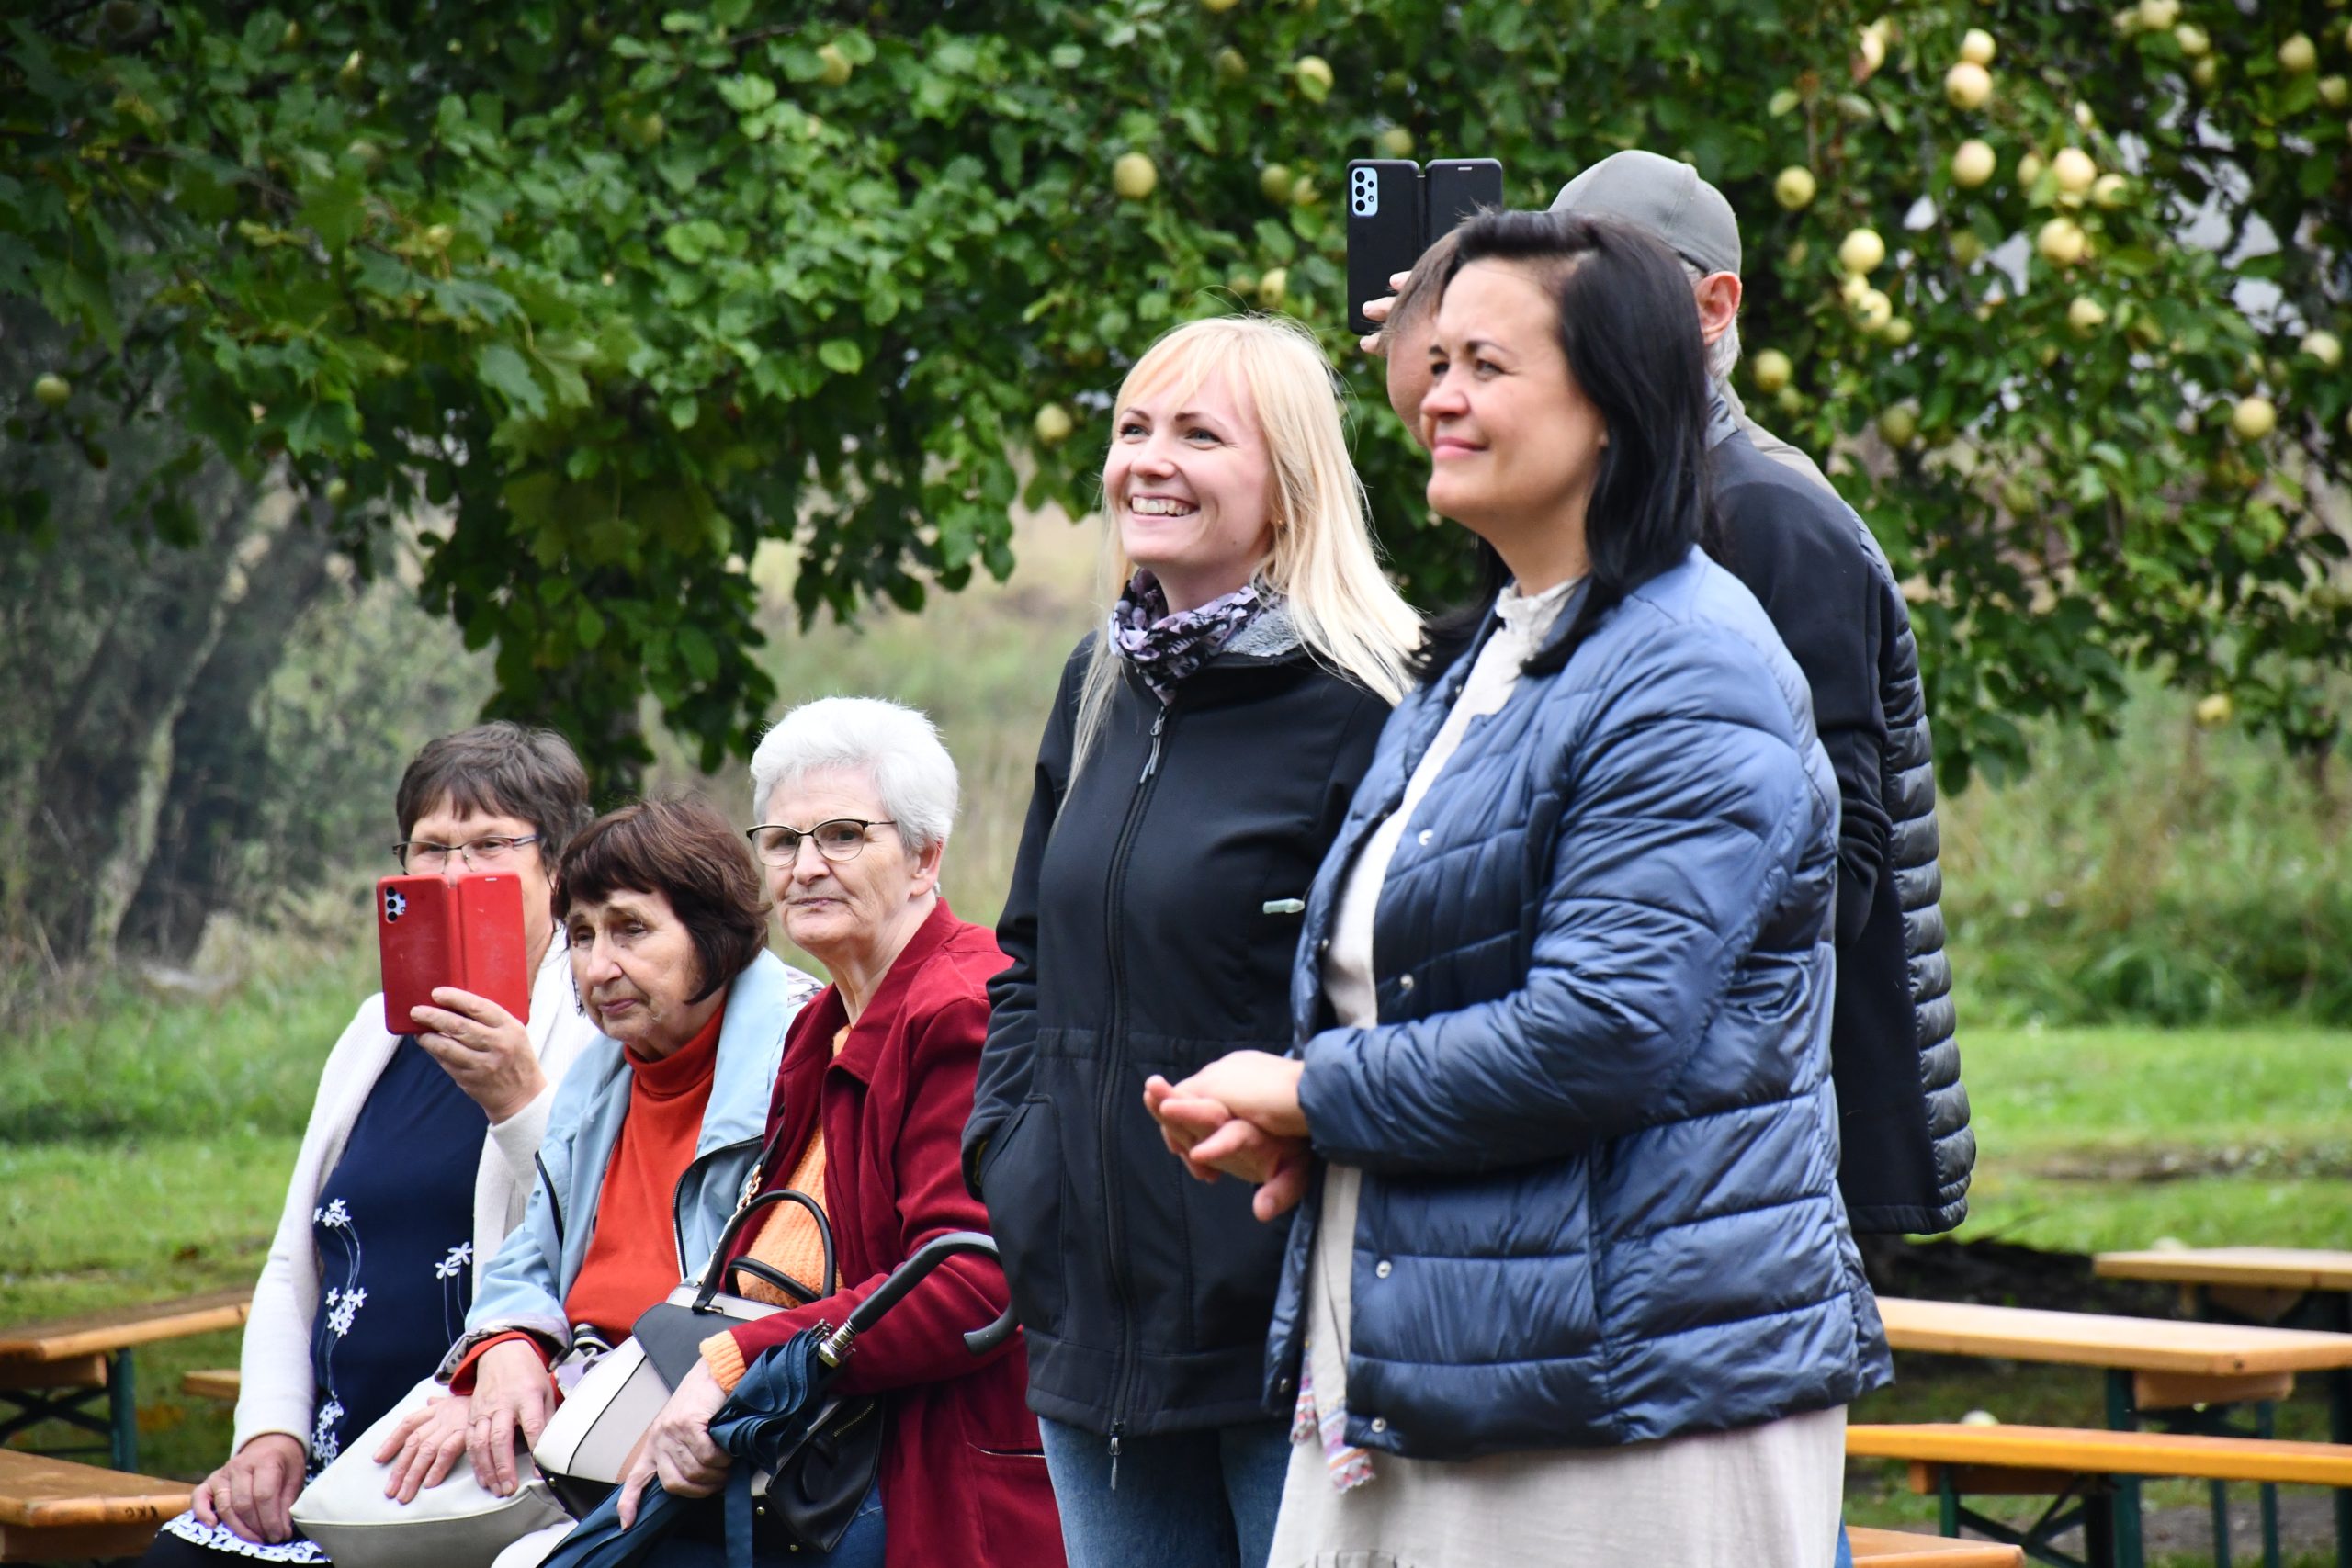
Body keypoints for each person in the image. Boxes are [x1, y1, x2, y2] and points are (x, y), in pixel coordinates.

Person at [1158, 210, 1890, 1566]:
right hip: (1444, 1353)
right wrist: (1324, 1130)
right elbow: (1432, 987)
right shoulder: (1491, 654)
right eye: (1436, 362)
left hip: (1628, 1395)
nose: (1438, 396)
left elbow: (1599, 1033)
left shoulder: (1691, 668)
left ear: (1615, 403)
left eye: (1485, 366)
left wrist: (1312, 1092)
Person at [1363, 150, 1972, 1240]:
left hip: (1750, 1159)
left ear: (1710, 308)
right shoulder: (1579, 521)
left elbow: (1829, 874)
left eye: (1599, 286)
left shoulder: (1767, 516)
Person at [963, 313, 1422, 1568]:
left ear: (1289, 482)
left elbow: (1408, 1003)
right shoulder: (1098, 680)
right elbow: (1028, 958)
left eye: (1199, 435)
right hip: (1090, 1318)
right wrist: (1018, 1157)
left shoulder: (1372, 700)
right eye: (1133, 428)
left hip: (1284, 1332)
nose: (1148, 461)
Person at [143, 723, 604, 1567]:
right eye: (432, 847)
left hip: (468, 1471)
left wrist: (517, 1098)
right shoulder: (375, 1029)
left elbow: (598, 1240)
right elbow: (296, 1257)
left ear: (559, 864)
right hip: (326, 1463)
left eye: (490, 844)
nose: (454, 874)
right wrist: (269, 1431)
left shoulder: (592, 1025)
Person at [618, 696, 1064, 1567]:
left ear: (926, 856)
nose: (806, 866)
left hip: (942, 1476)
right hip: (827, 1448)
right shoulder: (819, 1023)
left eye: (843, 835)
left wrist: (739, 1360)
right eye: (783, 842)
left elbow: (970, 1282)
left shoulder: (964, 1007)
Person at [372, 795, 821, 1508]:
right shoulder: (600, 1071)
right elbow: (531, 1250)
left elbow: (782, 1299)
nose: (599, 966)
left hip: (702, 1424)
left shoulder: (804, 1056)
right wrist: (507, 1343)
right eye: (580, 935)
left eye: (630, 929)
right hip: (576, 1396)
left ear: (714, 931)